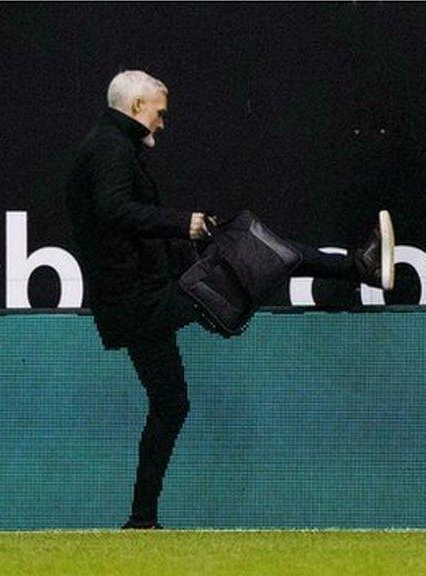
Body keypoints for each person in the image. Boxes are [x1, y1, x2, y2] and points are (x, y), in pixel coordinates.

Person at [64, 70, 394, 529]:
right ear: (137, 107)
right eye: (159, 113)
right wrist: (186, 225)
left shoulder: (111, 145)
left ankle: (141, 521)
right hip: (141, 299)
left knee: (171, 403)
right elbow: (114, 212)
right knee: (259, 252)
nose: (162, 122)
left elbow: (120, 223)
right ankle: (361, 268)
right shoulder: (111, 148)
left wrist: (187, 241)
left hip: (136, 300)